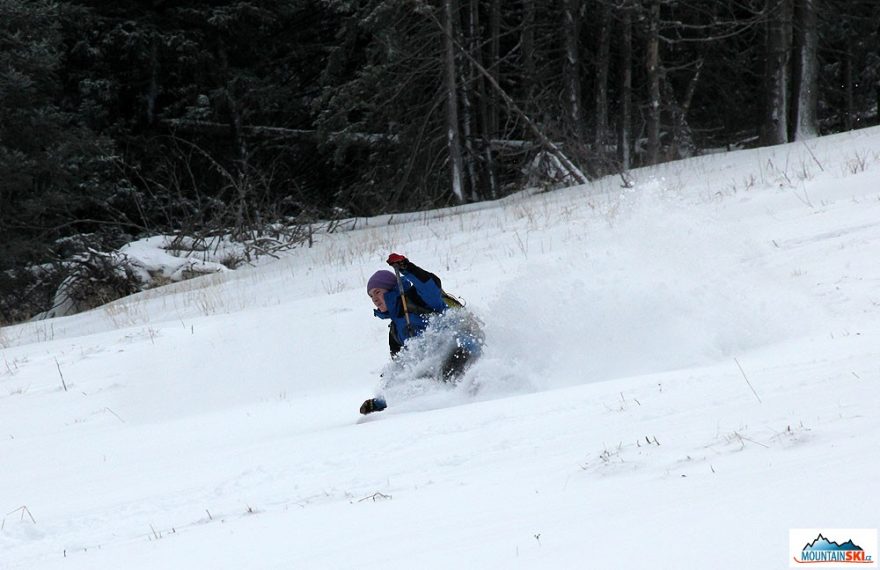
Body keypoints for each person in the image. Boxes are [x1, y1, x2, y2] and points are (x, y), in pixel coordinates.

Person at [360, 253, 482, 414]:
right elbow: (403, 371)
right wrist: (382, 401)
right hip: (438, 366)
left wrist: (405, 267)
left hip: (464, 345)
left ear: (390, 289)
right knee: (425, 379)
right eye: (371, 296)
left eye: (377, 292)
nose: (374, 299)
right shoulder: (395, 332)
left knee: (446, 373)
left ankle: (475, 400)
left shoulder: (417, 298)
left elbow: (431, 286)